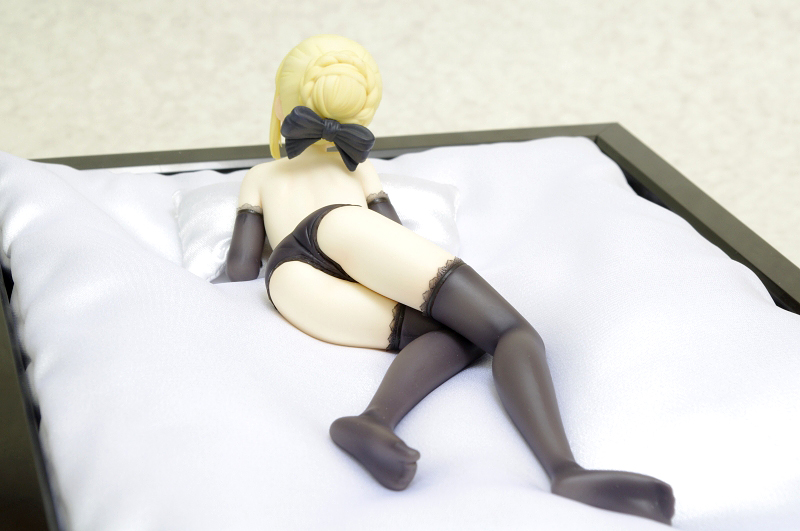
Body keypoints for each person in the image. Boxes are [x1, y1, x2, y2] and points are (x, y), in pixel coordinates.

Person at [226, 34, 675, 525]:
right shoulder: (358, 171)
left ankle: (372, 422)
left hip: (288, 283)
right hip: (340, 229)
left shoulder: (260, 175)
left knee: (459, 335)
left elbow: (242, 267)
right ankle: (564, 469)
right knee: (507, 331)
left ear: (281, 103)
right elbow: (390, 237)